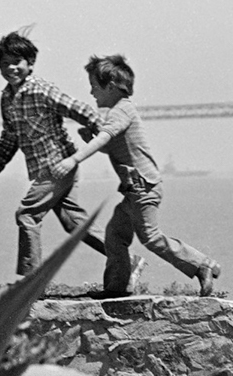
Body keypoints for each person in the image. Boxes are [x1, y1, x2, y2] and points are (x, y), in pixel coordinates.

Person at [0, 31, 144, 284]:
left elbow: (76, 107)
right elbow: (10, 135)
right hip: (46, 168)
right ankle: (128, 261)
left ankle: (31, 281)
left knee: (27, 215)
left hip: (57, 164)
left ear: (30, 64)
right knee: (72, 221)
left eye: (17, 62)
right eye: (5, 64)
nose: (11, 68)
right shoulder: (7, 98)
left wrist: (100, 129)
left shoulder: (41, 89)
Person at [58, 54, 221, 297]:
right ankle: (117, 288)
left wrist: (74, 158)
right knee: (114, 235)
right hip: (135, 190)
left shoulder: (121, 111)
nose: (92, 94)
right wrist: (91, 140)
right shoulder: (121, 111)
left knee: (151, 238)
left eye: (94, 87)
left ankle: (202, 265)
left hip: (143, 187)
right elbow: (110, 144)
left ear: (111, 87)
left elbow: (106, 137)